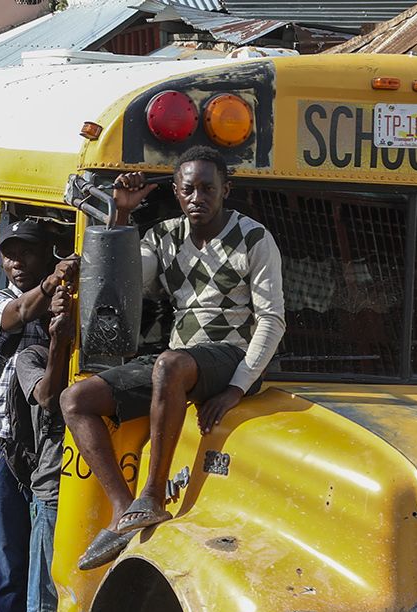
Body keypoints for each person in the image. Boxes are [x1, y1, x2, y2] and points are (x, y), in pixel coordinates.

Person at [61, 146, 286, 570]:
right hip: (182, 359)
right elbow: (123, 284)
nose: (198, 197)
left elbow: (272, 319)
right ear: (178, 196)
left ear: (226, 191)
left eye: (208, 188)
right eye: (189, 190)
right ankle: (125, 509)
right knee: (75, 401)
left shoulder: (253, 237)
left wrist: (238, 386)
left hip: (232, 354)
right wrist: (121, 215)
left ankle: (153, 493)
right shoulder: (163, 236)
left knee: (169, 363)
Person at [0, 217, 76, 612]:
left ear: (45, 254)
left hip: (50, 458)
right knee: (13, 567)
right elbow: (17, 313)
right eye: (9, 254)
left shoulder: (62, 306)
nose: (15, 261)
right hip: (5, 450)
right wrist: (55, 280)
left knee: (48, 571)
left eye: (27, 253)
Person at [9, 273, 72, 612]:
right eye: (61, 309)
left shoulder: (102, 358)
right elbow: (49, 397)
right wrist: (59, 343)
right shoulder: (29, 356)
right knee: (45, 596)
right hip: (52, 486)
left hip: (86, 487)